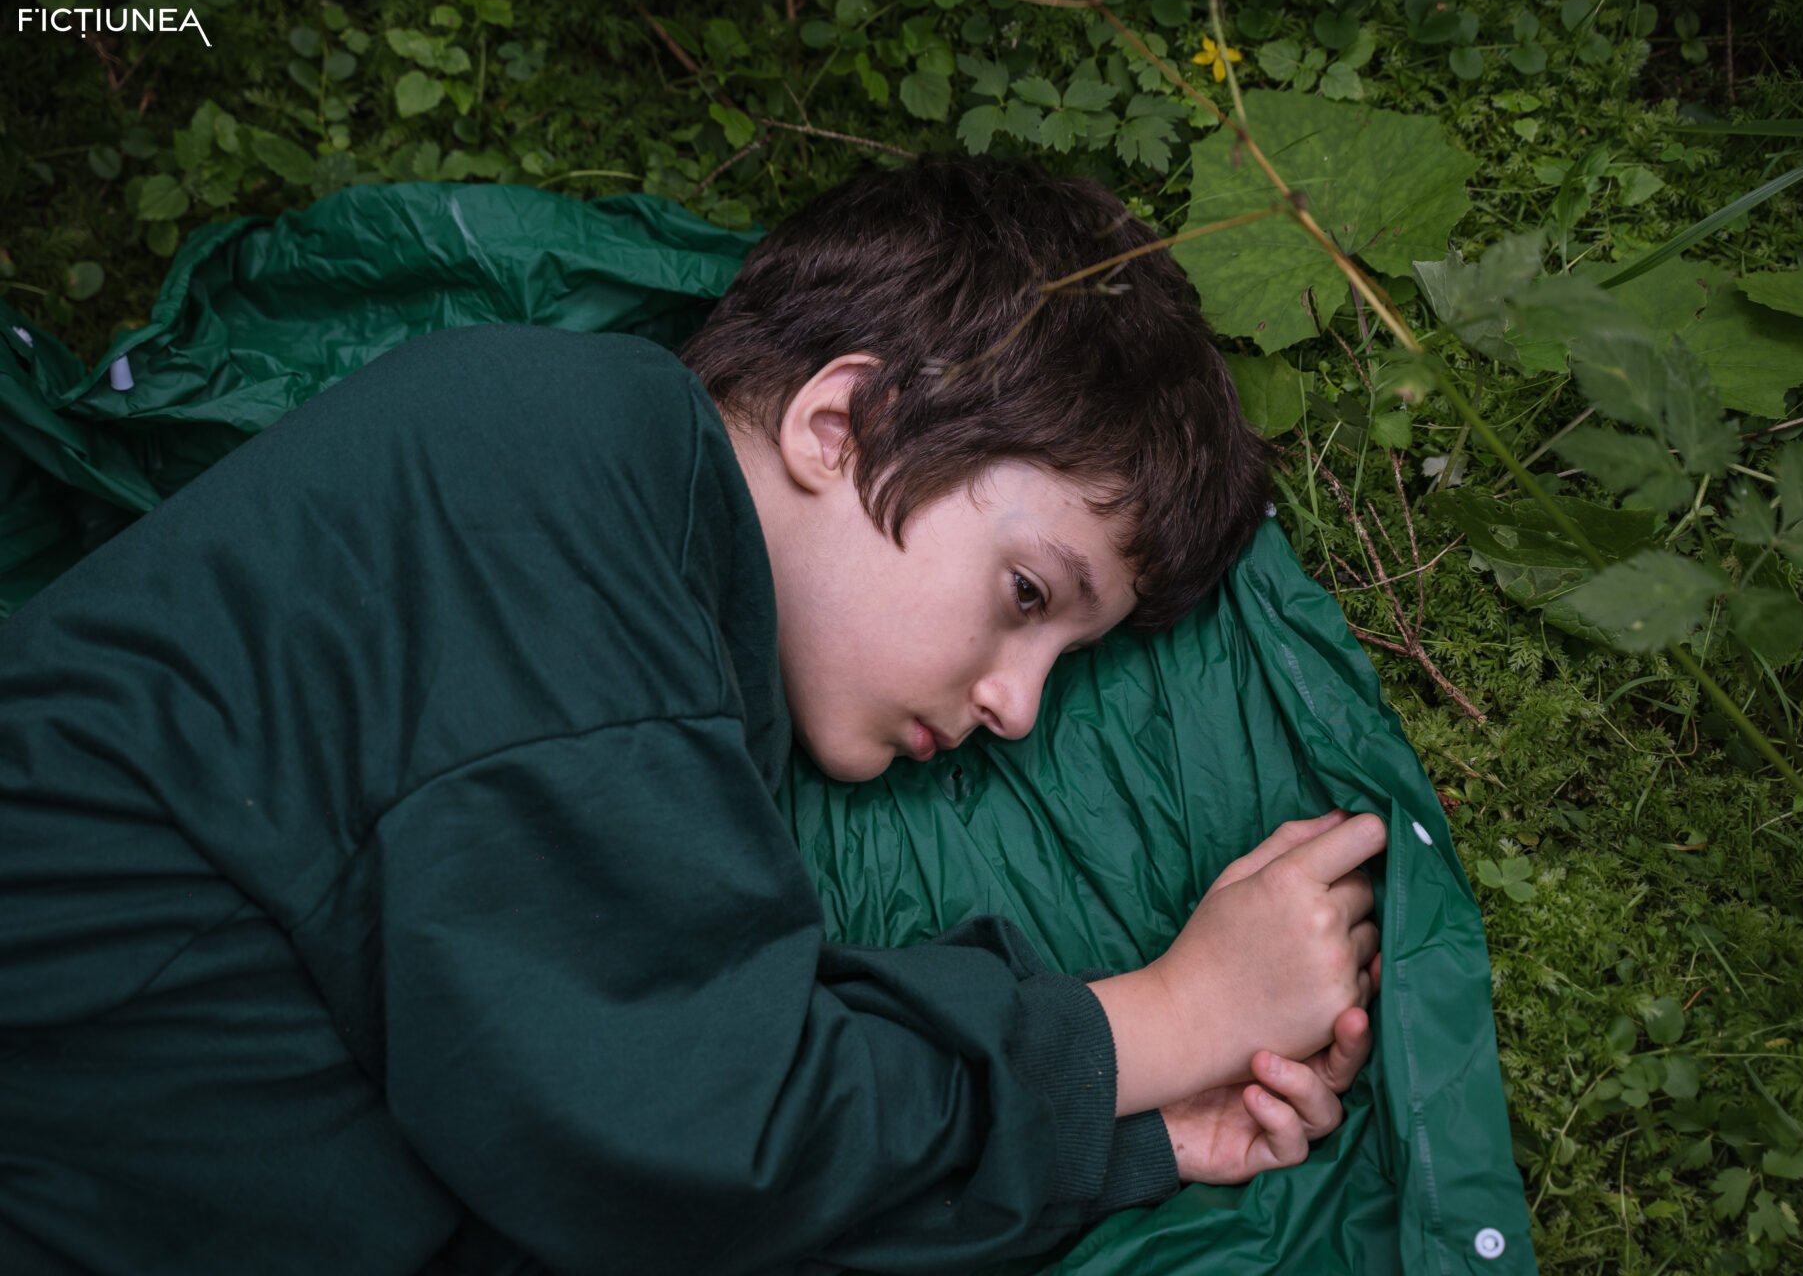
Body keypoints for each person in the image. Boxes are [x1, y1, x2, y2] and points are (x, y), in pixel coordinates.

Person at [0, 158, 1381, 1275]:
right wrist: (1165, 1020)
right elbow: (689, 1134)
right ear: (841, 425)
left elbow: (611, 1151)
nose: (1017, 707)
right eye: (1026, 594)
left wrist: (1126, 1138)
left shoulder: (662, 645)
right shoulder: (548, 484)